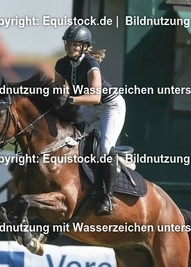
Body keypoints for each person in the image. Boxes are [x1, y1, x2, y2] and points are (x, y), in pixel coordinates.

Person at [54, 24, 126, 216]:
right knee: (65, 135)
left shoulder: (91, 63)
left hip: (110, 106)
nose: (71, 47)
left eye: (75, 44)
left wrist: (70, 99)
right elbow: (58, 92)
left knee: (105, 148)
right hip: (87, 107)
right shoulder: (61, 64)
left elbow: (95, 97)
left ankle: (108, 197)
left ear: (84, 46)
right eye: (68, 43)